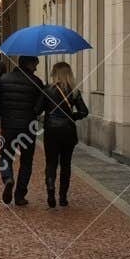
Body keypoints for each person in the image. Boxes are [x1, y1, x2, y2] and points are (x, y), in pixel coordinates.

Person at [0, 55, 44, 205]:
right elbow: (40, 107)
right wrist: (34, 113)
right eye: (35, 64)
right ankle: (20, 195)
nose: (36, 68)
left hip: (9, 126)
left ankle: (8, 178)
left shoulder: (4, 79)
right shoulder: (37, 82)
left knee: (5, 156)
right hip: (28, 127)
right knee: (26, 161)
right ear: (29, 64)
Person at [41, 61, 89, 207]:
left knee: (51, 162)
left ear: (54, 73)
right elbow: (84, 112)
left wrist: (45, 115)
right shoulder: (73, 91)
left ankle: (50, 190)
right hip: (68, 131)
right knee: (65, 164)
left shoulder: (47, 90)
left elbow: (37, 109)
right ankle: (63, 197)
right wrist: (71, 117)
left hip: (51, 130)